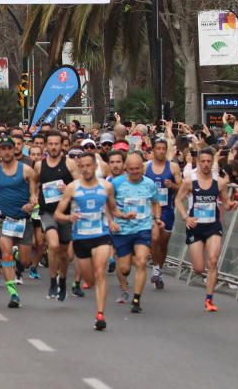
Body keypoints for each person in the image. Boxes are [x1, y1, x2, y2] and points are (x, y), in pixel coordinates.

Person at [55, 152, 121, 331]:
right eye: (81, 166)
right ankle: (89, 286)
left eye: (88, 165)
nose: (85, 169)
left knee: (100, 272)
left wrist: (120, 218)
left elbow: (113, 209)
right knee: (90, 279)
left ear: (95, 166)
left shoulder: (106, 187)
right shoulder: (72, 188)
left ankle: (100, 314)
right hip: (81, 237)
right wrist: (69, 217)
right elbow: (58, 214)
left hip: (101, 235)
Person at [175, 147, 237, 312]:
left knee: (213, 260)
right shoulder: (189, 181)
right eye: (202, 161)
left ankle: (209, 299)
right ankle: (198, 259)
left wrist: (231, 205)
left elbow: (225, 202)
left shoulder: (219, 182)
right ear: (198, 162)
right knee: (199, 268)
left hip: (213, 226)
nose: (206, 164)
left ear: (212, 162)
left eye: (209, 161)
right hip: (195, 227)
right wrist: (185, 217)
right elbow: (178, 200)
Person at [0, 137, 38, 308]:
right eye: (3, 149)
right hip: (4, 219)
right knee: (5, 254)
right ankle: (13, 293)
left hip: (23, 220)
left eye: (9, 148)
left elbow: (35, 194)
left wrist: (31, 204)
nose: (6, 152)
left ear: (15, 150)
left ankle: (17, 256)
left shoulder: (27, 171)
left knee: (25, 261)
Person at [109, 152, 161, 313]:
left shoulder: (150, 184)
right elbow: (108, 205)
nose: (135, 172)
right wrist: (111, 221)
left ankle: (136, 300)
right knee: (125, 268)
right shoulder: (116, 184)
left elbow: (156, 202)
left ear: (142, 168)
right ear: (126, 169)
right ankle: (124, 286)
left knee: (141, 261)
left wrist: (156, 218)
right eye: (131, 169)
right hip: (122, 229)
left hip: (142, 228)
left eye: (137, 169)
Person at [35, 130, 78, 300]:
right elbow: (34, 183)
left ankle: (63, 280)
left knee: (64, 253)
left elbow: (79, 184)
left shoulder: (69, 164)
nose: (53, 147)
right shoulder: (40, 165)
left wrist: (68, 187)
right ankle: (53, 280)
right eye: (50, 144)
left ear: (61, 145)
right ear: (46, 146)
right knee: (53, 245)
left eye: (56, 144)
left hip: (66, 213)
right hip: (47, 212)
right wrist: (33, 195)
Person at [146, 136, 182, 290]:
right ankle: (155, 268)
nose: (161, 151)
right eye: (158, 148)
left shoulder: (173, 167)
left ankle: (159, 270)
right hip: (150, 210)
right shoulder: (145, 167)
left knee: (163, 242)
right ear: (153, 150)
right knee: (154, 239)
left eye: (163, 149)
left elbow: (182, 189)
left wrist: (172, 185)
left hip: (167, 209)